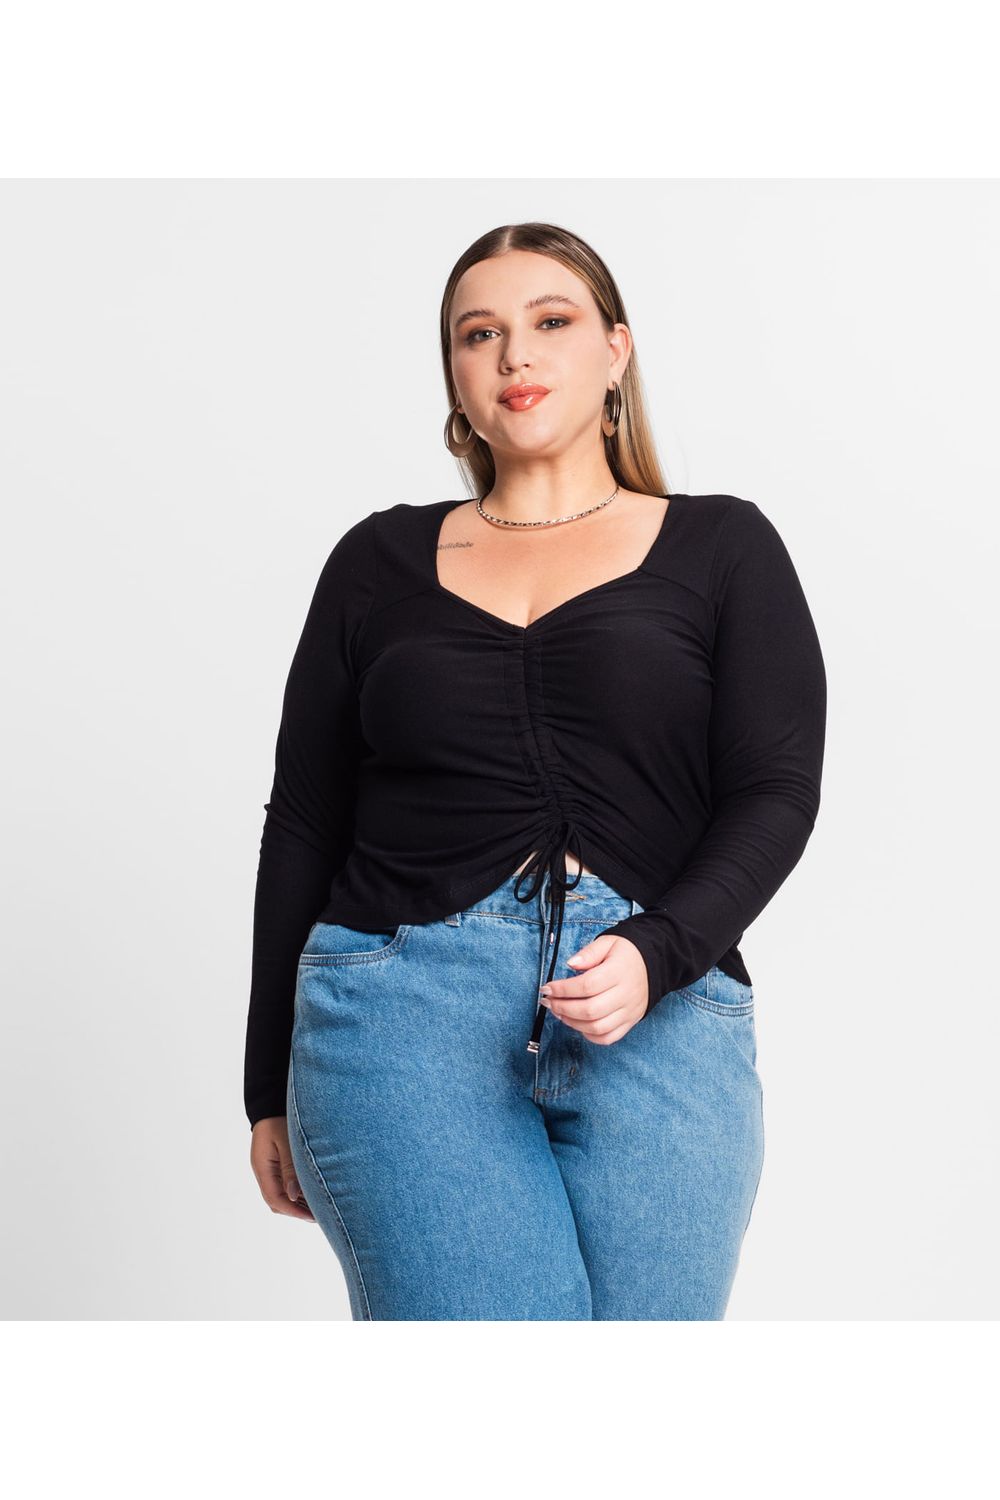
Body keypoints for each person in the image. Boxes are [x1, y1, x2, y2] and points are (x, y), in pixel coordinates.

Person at [244, 221, 827, 1320]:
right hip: (401, 1017)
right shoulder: (375, 561)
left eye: (550, 321)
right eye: (479, 334)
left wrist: (658, 950)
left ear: (615, 351)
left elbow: (775, 792)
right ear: (455, 378)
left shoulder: (723, 546)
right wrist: (263, 1081)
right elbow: (306, 821)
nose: (515, 353)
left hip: (662, 1017)